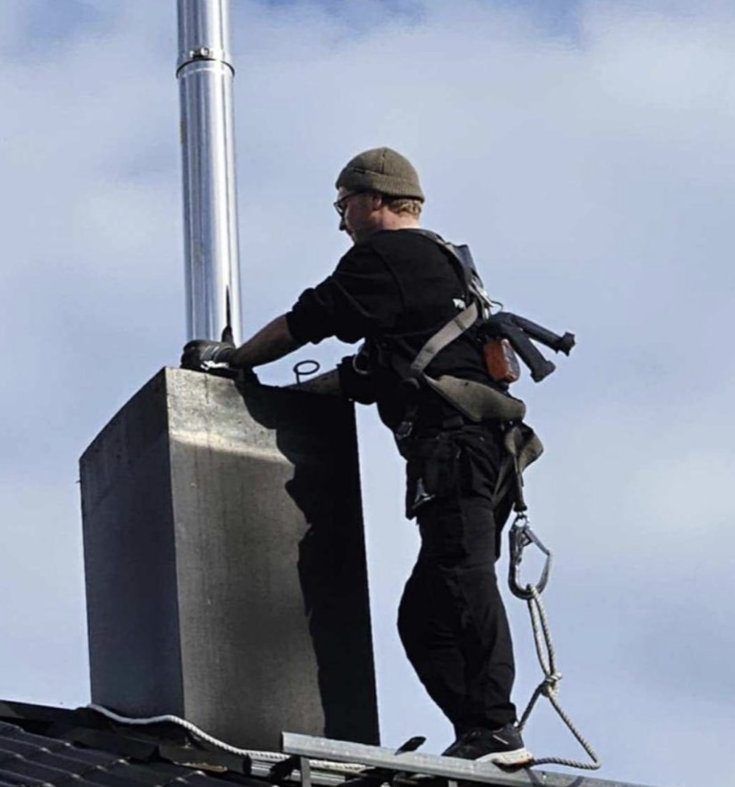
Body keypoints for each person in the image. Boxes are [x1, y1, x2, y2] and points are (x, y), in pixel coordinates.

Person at [181, 147, 540, 768]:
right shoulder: (434, 272)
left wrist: (233, 361)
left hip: (454, 448)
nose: (342, 220)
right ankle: (482, 736)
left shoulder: (388, 257)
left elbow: (310, 318)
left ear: (374, 200)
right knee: (425, 617)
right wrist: (280, 398)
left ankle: (497, 729)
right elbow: (363, 375)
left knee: (461, 574)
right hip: (481, 452)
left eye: (344, 205)